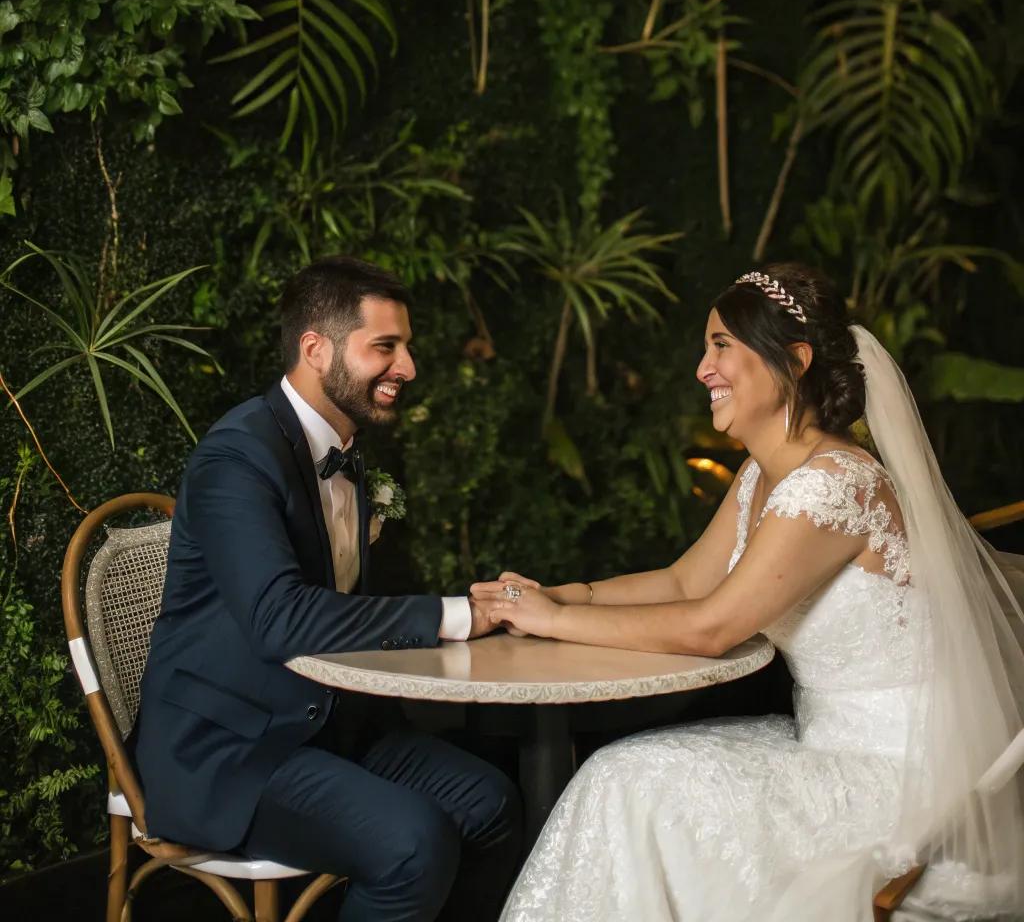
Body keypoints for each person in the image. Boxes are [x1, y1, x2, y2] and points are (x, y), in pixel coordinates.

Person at [474, 264, 1024, 922]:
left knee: (632, 784)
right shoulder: (766, 474)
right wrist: (550, 595)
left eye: (722, 346)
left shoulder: (834, 484)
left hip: (906, 788)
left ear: (794, 361)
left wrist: (556, 620)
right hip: (826, 751)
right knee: (622, 777)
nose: (702, 369)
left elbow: (712, 628)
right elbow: (682, 581)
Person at [132, 255, 522, 922]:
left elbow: (343, 612)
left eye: (407, 347)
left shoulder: (345, 450)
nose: (408, 368)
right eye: (386, 347)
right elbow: (279, 619)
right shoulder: (237, 456)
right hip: (231, 749)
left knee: (494, 803)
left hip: (331, 723)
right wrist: (456, 615)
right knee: (412, 842)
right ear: (315, 349)